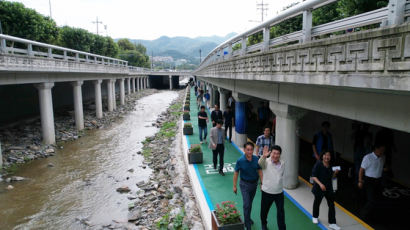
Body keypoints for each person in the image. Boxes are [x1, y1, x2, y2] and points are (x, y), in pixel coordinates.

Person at [233, 142, 263, 230]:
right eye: (248, 150)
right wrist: (234, 186)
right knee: (246, 204)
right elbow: (236, 173)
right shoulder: (240, 160)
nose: (250, 152)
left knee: (250, 203)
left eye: (251, 150)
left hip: (254, 185)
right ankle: (248, 225)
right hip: (244, 185)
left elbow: (260, 171)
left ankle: (248, 218)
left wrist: (262, 183)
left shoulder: (256, 159)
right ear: (244, 150)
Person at [311, 151, 340, 230]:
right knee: (317, 202)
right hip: (319, 188)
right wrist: (320, 184)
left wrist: (335, 173)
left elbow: (332, 177)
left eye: (329, 155)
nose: (327, 157)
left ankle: (332, 223)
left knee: (331, 205)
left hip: (329, 188)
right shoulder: (318, 164)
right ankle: (315, 216)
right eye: (325, 155)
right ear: (322, 156)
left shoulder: (331, 166)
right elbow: (313, 176)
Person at [259, 145, 286, 230]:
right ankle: (264, 224)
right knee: (264, 210)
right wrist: (264, 156)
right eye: (274, 153)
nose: (275, 155)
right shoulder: (266, 162)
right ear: (270, 153)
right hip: (267, 192)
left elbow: (280, 175)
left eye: (278, 153)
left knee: (281, 212)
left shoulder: (283, 163)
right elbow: (260, 163)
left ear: (280, 155)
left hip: (279, 192)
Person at [358, 143, 386, 219]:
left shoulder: (383, 157)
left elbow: (380, 167)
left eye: (383, 150)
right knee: (371, 199)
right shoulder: (368, 157)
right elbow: (361, 170)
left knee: (377, 198)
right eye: (381, 150)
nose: (382, 152)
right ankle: (362, 215)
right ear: (376, 149)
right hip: (369, 180)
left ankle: (371, 214)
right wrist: (360, 181)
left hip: (378, 181)